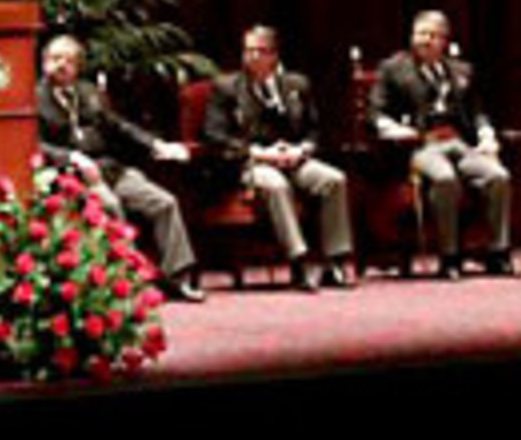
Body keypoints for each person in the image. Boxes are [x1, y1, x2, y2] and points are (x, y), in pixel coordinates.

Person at [36, 33, 204, 302]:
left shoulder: (89, 92)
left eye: (69, 60)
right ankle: (125, 280)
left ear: (78, 66)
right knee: (110, 205)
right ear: (44, 63)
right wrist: (70, 158)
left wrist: (156, 145)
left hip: (107, 168)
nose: (62, 65)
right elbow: (33, 144)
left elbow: (118, 125)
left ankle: (177, 278)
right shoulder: (34, 98)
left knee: (164, 203)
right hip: (70, 176)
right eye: (56, 59)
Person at [202, 25, 354, 291]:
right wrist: (259, 153)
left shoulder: (296, 85)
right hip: (250, 162)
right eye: (248, 51)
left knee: (333, 179)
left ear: (274, 56)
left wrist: (302, 149)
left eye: (260, 51)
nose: (252, 57)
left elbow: (314, 130)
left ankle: (335, 261)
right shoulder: (227, 87)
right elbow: (214, 135)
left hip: (293, 158)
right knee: (275, 184)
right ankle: (299, 260)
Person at [368, 9, 516, 279]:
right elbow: (376, 113)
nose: (426, 40)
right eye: (421, 34)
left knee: (498, 176)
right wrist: (393, 129)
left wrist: (486, 135)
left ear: (444, 40)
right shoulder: (393, 69)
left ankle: (499, 252)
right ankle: (450, 257)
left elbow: (477, 112)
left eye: (433, 35)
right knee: (445, 178)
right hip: (420, 145)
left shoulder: (461, 70)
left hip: (458, 142)